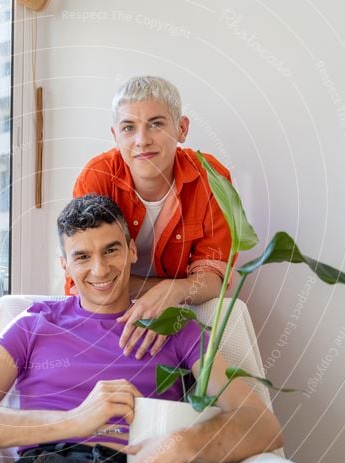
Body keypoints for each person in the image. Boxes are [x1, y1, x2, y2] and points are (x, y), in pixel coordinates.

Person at [0, 195, 333, 463]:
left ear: (131, 250)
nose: (100, 269)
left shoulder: (175, 328)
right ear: (64, 266)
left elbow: (263, 425)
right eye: (82, 256)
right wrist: (74, 422)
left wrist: (182, 445)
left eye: (111, 250)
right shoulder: (33, 325)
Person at [69, 75, 234, 360]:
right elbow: (87, 275)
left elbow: (215, 279)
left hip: (180, 311)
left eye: (156, 124)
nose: (142, 140)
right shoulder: (97, 177)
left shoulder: (211, 177)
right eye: (129, 128)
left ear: (181, 129)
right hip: (103, 312)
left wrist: (176, 290)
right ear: (115, 135)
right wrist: (167, 288)